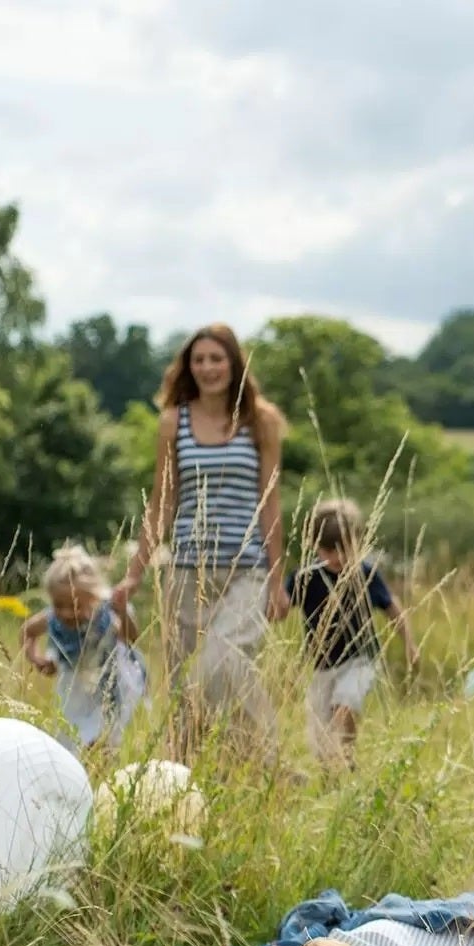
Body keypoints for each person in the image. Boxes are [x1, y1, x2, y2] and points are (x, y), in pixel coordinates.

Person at [112, 325, 287, 762]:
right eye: (199, 360)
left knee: (222, 664)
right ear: (188, 368)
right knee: (187, 688)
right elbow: (163, 501)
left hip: (247, 570)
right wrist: (134, 574)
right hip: (187, 571)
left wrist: (278, 579)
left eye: (217, 358)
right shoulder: (174, 422)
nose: (208, 368)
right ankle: (190, 778)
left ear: (234, 363)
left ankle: (271, 762)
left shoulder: (260, 421)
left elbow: (271, 502)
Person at [290, 498, 416, 767]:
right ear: (314, 546)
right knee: (320, 737)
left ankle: (346, 758)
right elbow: (279, 606)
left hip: (360, 660)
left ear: (357, 543)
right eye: (328, 550)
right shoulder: (306, 577)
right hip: (321, 667)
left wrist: (410, 644)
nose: (338, 558)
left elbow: (393, 609)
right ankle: (334, 771)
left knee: (343, 705)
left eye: (345, 549)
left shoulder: (365, 574)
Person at [21, 545, 148, 753]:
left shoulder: (106, 614)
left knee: (103, 740)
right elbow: (27, 632)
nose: (66, 612)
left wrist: (123, 612)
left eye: (75, 605)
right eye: (58, 604)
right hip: (74, 690)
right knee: (71, 741)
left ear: (94, 596)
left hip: (110, 686)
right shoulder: (51, 617)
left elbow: (131, 638)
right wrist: (36, 659)